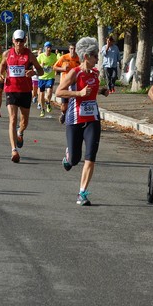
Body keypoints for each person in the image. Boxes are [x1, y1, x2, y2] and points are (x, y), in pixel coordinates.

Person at [56, 36, 109, 205]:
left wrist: (101, 91)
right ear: (86, 56)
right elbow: (59, 92)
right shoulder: (74, 73)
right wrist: (78, 94)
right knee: (74, 160)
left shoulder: (95, 73)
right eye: (95, 56)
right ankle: (68, 157)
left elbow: (92, 90)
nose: (97, 59)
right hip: (75, 119)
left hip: (92, 119)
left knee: (90, 157)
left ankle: (82, 193)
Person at [0, 29, 44, 163]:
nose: (19, 43)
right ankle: (14, 150)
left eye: (21, 40)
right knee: (12, 119)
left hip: (25, 91)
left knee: (24, 121)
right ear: (13, 41)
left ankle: (20, 132)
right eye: (17, 40)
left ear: (25, 41)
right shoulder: (7, 54)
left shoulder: (29, 55)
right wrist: (1, 75)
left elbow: (40, 71)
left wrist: (33, 72)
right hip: (11, 89)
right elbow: (1, 66)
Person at [54, 43, 81, 124]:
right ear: (69, 49)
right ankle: (63, 113)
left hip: (75, 84)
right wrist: (63, 69)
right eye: (72, 49)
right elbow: (54, 67)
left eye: (75, 49)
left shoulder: (79, 59)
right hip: (64, 84)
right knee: (64, 105)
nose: (73, 51)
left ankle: (72, 118)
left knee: (74, 102)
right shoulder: (64, 57)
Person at [37, 41, 58, 117]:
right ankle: (42, 109)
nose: (49, 49)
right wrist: (40, 65)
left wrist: (54, 66)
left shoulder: (54, 56)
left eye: (50, 47)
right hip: (42, 77)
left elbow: (57, 63)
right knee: (41, 95)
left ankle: (48, 102)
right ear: (45, 48)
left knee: (49, 92)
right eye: (47, 47)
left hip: (50, 77)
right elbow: (35, 65)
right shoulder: (40, 56)